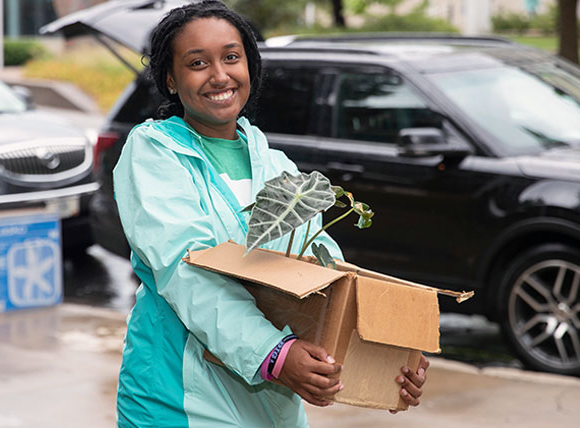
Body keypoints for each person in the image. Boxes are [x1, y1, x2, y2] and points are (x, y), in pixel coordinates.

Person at [112, 1, 429, 427]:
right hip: (178, 398)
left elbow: (326, 277)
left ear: (250, 65)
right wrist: (274, 355)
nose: (219, 75)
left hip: (274, 407)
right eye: (197, 63)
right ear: (170, 78)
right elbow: (186, 271)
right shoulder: (154, 152)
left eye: (231, 57)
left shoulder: (276, 166)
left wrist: (392, 355)